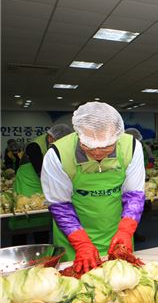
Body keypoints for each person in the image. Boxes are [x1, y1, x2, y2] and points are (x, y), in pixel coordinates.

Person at [41, 102, 145, 272]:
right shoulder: (58, 154)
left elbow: (134, 195)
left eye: (106, 147)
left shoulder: (131, 147)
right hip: (74, 237)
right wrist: (81, 244)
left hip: (117, 232)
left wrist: (126, 231)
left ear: (116, 135)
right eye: (89, 146)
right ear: (79, 133)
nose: (97, 152)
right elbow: (60, 205)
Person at [11, 124, 72, 245]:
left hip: (42, 181)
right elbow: (41, 171)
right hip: (27, 180)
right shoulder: (35, 146)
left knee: (42, 212)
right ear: (50, 137)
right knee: (24, 208)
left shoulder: (59, 147)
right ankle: (19, 245)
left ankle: (42, 243)